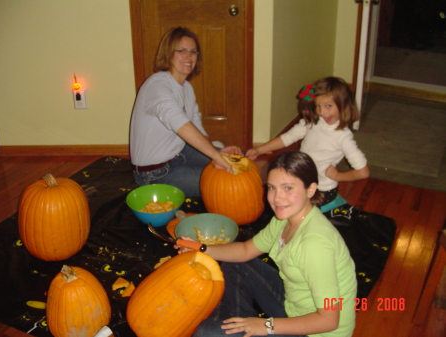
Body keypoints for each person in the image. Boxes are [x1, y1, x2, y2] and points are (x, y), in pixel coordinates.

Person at [177, 151, 357, 337]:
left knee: (208, 333)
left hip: (314, 330)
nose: (277, 198)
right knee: (234, 263)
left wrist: (266, 326)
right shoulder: (286, 218)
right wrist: (201, 248)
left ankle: (240, 327)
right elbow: (246, 250)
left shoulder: (315, 245)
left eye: (288, 188)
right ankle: (241, 325)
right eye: (272, 188)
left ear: (310, 189)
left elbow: (329, 320)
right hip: (293, 305)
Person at [129, 26, 241, 197]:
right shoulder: (156, 85)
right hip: (155, 174)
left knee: (234, 163)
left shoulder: (187, 88)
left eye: (193, 52)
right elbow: (180, 124)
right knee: (226, 184)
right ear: (168, 53)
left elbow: (197, 128)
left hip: (181, 153)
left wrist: (217, 152)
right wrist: (215, 156)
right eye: (182, 51)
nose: (189, 57)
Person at [246, 77, 369, 210]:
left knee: (302, 218)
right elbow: (288, 138)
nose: (322, 112)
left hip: (322, 190)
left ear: (343, 105)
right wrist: (260, 150)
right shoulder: (312, 122)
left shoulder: (343, 138)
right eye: (318, 106)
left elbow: (363, 172)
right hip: (301, 180)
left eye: (329, 106)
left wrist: (338, 176)